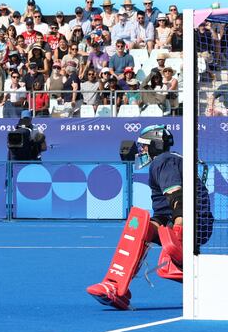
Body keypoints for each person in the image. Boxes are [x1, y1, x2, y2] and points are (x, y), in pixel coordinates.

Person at [86, 125, 213, 310]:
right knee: (139, 225)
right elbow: (165, 211)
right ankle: (116, 286)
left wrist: (179, 231)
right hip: (185, 219)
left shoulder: (163, 160)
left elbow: (178, 198)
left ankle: (207, 282)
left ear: (155, 145)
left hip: (190, 221)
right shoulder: (171, 159)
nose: (141, 151)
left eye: (144, 146)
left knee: (140, 230)